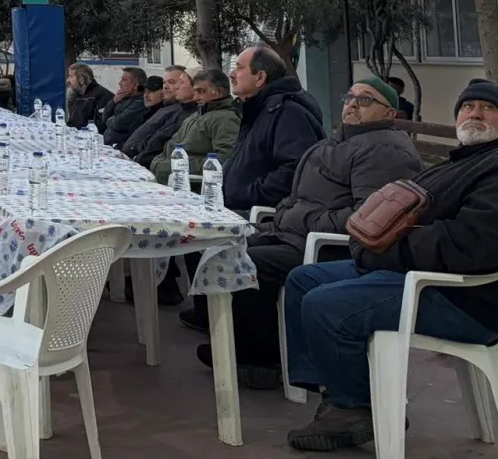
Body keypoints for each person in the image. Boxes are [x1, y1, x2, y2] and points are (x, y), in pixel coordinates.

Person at [282, 80, 498, 452]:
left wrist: (385, 251)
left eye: (487, 108)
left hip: (462, 299)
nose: (474, 113)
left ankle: (353, 406)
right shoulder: (470, 159)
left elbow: (471, 244)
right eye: (467, 106)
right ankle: (342, 393)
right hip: (419, 277)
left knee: (324, 304)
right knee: (304, 279)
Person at [188, 77, 423, 383]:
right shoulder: (335, 143)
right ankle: (232, 339)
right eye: (350, 97)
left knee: (249, 262)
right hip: (293, 233)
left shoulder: (384, 150)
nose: (353, 105)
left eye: (366, 100)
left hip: (330, 248)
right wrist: (283, 216)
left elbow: (370, 217)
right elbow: (297, 196)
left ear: (389, 113)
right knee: (223, 242)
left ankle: (262, 360)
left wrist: (302, 220)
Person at [224, 45, 326, 212]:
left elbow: (295, 169)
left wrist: (247, 196)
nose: (232, 74)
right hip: (239, 209)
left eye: (239, 67)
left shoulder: (287, 112)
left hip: (262, 217)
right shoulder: (258, 110)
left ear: (260, 77)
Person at [150, 68, 240, 186]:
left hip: (188, 187)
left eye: (201, 91)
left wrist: (181, 166)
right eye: (195, 91)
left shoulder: (226, 119)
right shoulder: (198, 115)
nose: (195, 97)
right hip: (166, 180)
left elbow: (225, 160)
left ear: (218, 92)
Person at [122, 67, 198, 167]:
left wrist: (138, 159)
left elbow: (163, 145)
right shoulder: (172, 109)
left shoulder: (184, 112)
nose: (165, 87)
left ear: (196, 88)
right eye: (164, 82)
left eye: (172, 82)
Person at [100, 67, 150, 146]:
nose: (120, 83)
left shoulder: (141, 102)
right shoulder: (124, 97)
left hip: (121, 146)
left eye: (124, 80)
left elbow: (119, 123)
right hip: (108, 144)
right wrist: (114, 101)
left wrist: (110, 119)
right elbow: (104, 118)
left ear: (136, 85)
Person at [66, 63, 115, 128]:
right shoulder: (76, 94)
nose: (68, 80)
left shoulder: (102, 96)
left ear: (81, 79)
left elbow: (103, 126)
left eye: (71, 76)